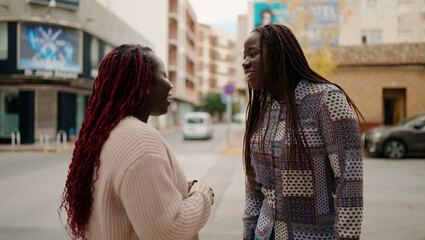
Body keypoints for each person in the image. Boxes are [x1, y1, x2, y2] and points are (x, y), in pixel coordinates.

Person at [59, 44, 214, 240]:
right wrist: (202, 194)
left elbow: (133, 192)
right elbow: (168, 229)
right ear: (145, 85)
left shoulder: (109, 131)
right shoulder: (140, 140)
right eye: (164, 75)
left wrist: (181, 187)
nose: (170, 85)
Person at [241, 24, 364, 240]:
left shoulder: (326, 100)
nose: (245, 62)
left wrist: (348, 236)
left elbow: (349, 177)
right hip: (265, 234)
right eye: (244, 56)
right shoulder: (262, 111)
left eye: (252, 54)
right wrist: (248, 232)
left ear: (279, 56)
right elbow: (254, 184)